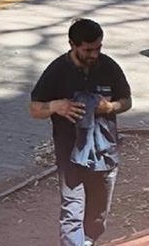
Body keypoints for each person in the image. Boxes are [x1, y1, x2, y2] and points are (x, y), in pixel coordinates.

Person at [29, 17, 132, 246]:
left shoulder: (109, 67)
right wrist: (56, 106)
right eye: (88, 50)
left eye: (98, 48)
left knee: (98, 213)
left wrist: (111, 107)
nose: (94, 54)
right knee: (72, 209)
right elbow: (34, 109)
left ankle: (88, 240)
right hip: (70, 152)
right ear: (72, 45)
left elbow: (127, 101)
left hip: (104, 153)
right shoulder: (57, 70)